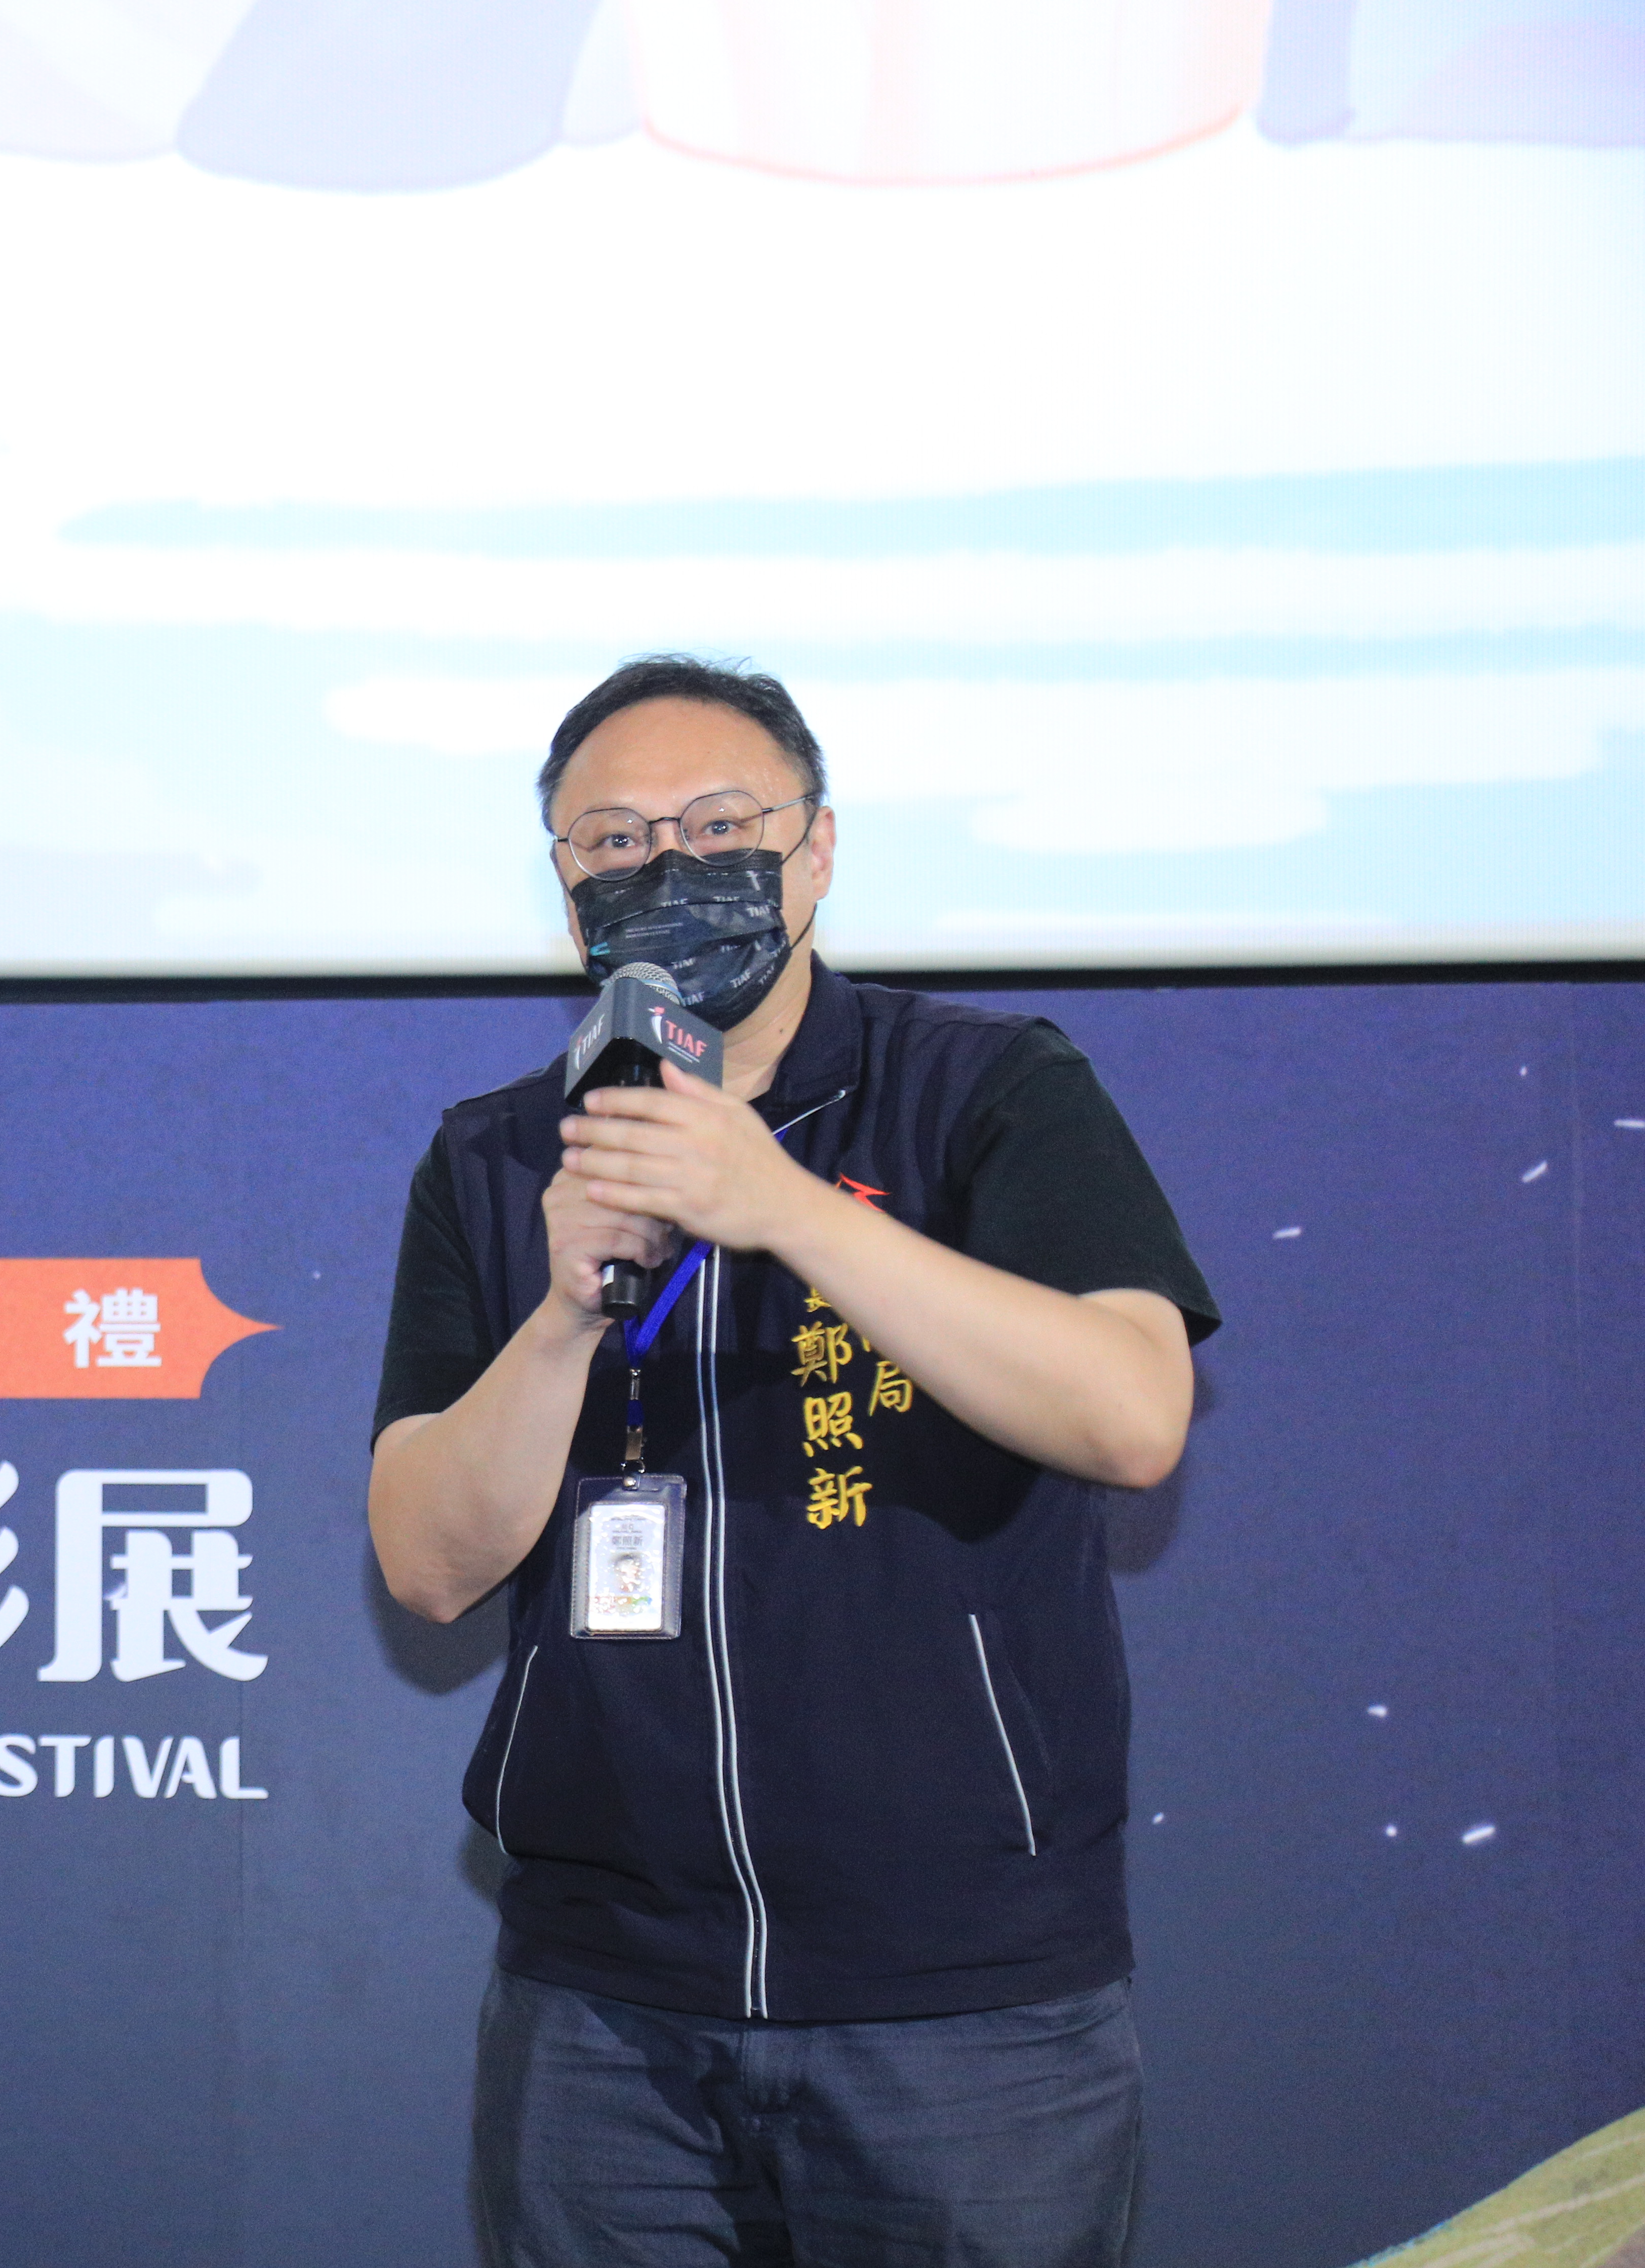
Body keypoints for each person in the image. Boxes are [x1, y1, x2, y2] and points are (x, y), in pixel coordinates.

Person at [368, 655, 1219, 2267]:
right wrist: (562, 1316)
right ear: (565, 885)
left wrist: (780, 1208)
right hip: (603, 2002)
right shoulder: (501, 1153)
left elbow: (1131, 1413)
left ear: (815, 849)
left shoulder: (987, 1088)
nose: (665, 869)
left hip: (961, 1998)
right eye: (614, 841)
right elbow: (426, 1562)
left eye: (718, 826)